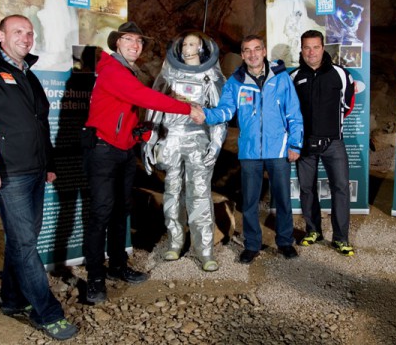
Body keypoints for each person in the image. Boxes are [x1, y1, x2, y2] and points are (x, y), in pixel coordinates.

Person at [0, 15, 77, 340]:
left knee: (20, 242)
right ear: (1, 34)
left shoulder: (28, 74)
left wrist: (48, 164)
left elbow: (39, 126)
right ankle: (47, 313)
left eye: (29, 33)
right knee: (25, 245)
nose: (25, 38)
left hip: (35, 173)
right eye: (18, 31)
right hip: (6, 176)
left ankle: (11, 300)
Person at [82, 21, 202, 303]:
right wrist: (187, 109)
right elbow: (141, 97)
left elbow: (126, 110)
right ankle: (95, 279)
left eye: (138, 41)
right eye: (128, 40)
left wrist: (143, 132)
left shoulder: (128, 71)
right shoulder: (112, 70)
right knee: (101, 213)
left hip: (122, 150)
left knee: (121, 210)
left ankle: (118, 267)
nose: (135, 45)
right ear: (117, 44)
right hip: (103, 150)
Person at [192, 35, 303, 264]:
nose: (252, 54)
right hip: (250, 151)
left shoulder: (281, 78)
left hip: (279, 149)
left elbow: (294, 113)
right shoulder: (235, 81)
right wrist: (205, 115)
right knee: (250, 202)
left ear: (264, 51)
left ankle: (284, 242)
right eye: (247, 50)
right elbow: (225, 111)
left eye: (256, 49)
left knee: (282, 199)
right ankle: (252, 245)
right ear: (242, 55)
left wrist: (295, 143)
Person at [143, 31, 226, 272]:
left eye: (193, 44)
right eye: (186, 44)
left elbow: (218, 113)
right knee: (172, 192)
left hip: (198, 139)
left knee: (199, 193)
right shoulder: (169, 74)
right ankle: (175, 242)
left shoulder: (211, 77)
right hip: (171, 139)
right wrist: (150, 141)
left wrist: (217, 143)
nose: (188, 48)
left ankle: (205, 250)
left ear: (202, 48)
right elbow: (155, 109)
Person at [290, 30, 356, 256]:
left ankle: (341, 238)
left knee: (340, 188)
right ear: (301, 49)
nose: (311, 52)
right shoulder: (294, 76)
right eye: (307, 47)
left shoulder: (340, 74)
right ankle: (313, 231)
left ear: (323, 48)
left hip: (333, 143)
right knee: (307, 189)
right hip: (305, 144)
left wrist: (329, 127)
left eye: (316, 47)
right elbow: (290, 110)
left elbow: (348, 105)